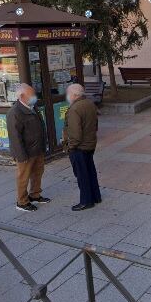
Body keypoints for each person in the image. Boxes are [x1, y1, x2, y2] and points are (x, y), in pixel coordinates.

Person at [6, 83, 48, 212]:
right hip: (25, 152)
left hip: (37, 149)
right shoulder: (14, 112)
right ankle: (22, 201)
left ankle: (35, 195)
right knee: (23, 177)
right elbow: (15, 137)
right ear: (22, 96)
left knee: (38, 173)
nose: (34, 96)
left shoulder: (32, 107)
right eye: (32, 94)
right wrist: (21, 155)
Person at [63, 83, 102, 211]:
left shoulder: (75, 109)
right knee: (90, 172)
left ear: (75, 95)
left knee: (82, 175)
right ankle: (96, 196)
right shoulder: (89, 104)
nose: (67, 96)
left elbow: (75, 133)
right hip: (89, 144)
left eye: (68, 93)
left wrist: (70, 147)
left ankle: (86, 201)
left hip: (79, 147)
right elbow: (95, 125)